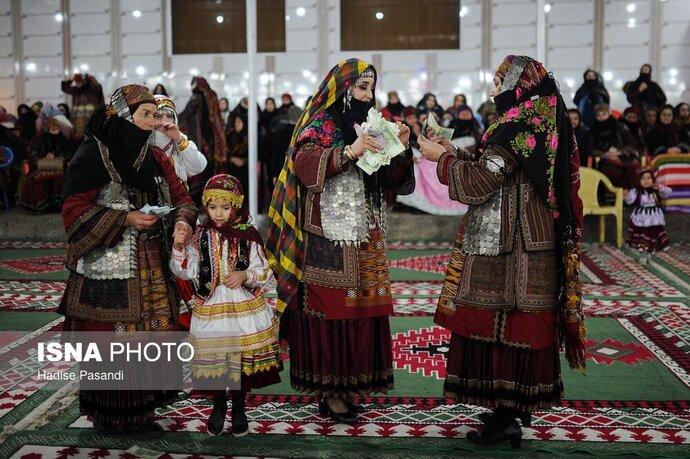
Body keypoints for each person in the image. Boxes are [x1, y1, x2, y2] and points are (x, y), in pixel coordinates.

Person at [421, 55, 585, 449]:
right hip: (529, 239)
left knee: (503, 325)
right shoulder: (540, 120)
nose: (493, 88)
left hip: (510, 245)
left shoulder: (516, 127)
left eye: (499, 80)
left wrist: (440, 160)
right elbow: (496, 170)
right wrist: (453, 151)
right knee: (511, 326)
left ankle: (506, 414)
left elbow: (481, 183)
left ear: (520, 84)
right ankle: (506, 410)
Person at [266, 59, 414, 424]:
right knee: (330, 311)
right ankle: (329, 392)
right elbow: (303, 164)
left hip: (366, 234)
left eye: (370, 89)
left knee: (363, 309)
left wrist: (401, 149)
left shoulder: (372, 124)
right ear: (342, 89)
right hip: (327, 238)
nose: (367, 95)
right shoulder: (322, 124)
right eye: (361, 88)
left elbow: (393, 178)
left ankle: (349, 387)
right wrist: (348, 152)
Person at [58, 84, 198, 436]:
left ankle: (142, 409)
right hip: (108, 266)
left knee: (152, 334)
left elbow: (183, 198)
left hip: (152, 262)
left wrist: (182, 223)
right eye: (145, 115)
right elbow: (73, 211)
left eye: (155, 115)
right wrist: (124, 218)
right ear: (121, 117)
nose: (151, 123)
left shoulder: (156, 158)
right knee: (112, 337)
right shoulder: (92, 156)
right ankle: (109, 412)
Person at [170, 174, 281, 437]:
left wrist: (245, 276)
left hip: (242, 306)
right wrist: (178, 248)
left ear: (237, 206)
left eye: (225, 207)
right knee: (217, 361)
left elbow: (264, 271)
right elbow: (187, 270)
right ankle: (218, 407)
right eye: (212, 207)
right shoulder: (199, 236)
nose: (218, 213)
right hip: (212, 307)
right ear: (205, 206)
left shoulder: (248, 234)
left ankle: (239, 409)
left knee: (239, 361)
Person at [178, 76, 228, 201]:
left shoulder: (196, 97)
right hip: (212, 141)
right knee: (208, 169)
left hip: (200, 140)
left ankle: (197, 201)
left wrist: (170, 119)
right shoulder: (212, 96)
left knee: (198, 171)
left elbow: (185, 115)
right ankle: (210, 199)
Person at [19, 115, 73, 213]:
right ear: (47, 129)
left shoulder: (63, 139)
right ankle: (42, 206)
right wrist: (44, 156)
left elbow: (68, 153)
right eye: (53, 129)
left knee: (60, 177)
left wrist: (58, 156)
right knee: (39, 179)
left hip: (58, 165)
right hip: (39, 166)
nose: (55, 131)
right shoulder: (39, 139)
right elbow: (32, 153)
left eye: (57, 128)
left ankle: (57, 205)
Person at [150, 95, 207, 186]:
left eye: (169, 116)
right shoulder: (142, 142)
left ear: (175, 120)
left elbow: (199, 166)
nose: (164, 121)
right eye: (159, 116)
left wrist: (179, 140)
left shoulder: (179, 140)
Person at [624, 168, 672, 260]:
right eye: (643, 178)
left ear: (653, 179)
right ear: (638, 180)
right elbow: (631, 200)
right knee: (643, 231)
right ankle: (643, 248)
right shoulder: (636, 191)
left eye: (648, 178)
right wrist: (626, 196)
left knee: (654, 231)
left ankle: (653, 247)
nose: (646, 181)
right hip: (642, 216)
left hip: (654, 216)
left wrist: (660, 187)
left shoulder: (656, 190)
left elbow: (668, 193)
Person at [590, 103, 640, 188]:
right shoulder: (593, 129)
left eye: (604, 114)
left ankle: (630, 196)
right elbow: (591, 148)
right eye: (598, 115)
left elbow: (631, 144)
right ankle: (614, 195)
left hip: (623, 157)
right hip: (604, 160)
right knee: (610, 171)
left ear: (609, 113)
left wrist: (618, 153)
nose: (601, 117)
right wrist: (604, 155)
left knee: (633, 171)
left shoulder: (619, 126)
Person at [61, 73, 105, 139]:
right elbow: (65, 88)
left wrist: (90, 79)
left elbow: (97, 86)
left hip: (91, 118)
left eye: (79, 82)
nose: (78, 85)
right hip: (78, 119)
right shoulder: (76, 89)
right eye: (76, 83)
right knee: (79, 137)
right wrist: (70, 80)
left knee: (91, 135)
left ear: (84, 81)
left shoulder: (92, 89)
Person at [266, 105, 302, 187]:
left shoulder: (281, 132)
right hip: (299, 171)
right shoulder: (303, 132)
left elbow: (276, 153)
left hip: (283, 170)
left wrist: (275, 174)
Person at [226, 114, 249, 197]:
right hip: (232, 166)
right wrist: (232, 159)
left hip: (246, 167)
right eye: (235, 121)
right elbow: (225, 151)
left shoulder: (250, 136)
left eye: (239, 121)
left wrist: (244, 161)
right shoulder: (229, 135)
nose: (236, 123)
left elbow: (256, 153)